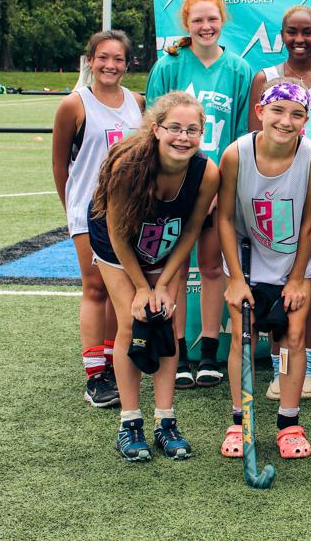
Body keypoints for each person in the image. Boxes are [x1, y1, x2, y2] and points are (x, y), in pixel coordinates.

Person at [88, 91, 220, 461]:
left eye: (192, 130)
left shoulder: (206, 171)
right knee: (133, 321)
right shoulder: (129, 165)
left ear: (202, 132)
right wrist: (142, 288)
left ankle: (166, 421)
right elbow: (116, 233)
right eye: (174, 128)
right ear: (156, 129)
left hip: (167, 240)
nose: (183, 137)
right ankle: (129, 424)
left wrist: (162, 285)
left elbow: (192, 230)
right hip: (118, 243)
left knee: (165, 318)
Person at [145, 0, 253, 389]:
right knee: (173, 271)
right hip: (174, 183)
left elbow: (242, 134)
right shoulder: (170, 65)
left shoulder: (239, 69)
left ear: (222, 20)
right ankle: (179, 352)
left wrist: (220, 190)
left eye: (212, 20)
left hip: (215, 183)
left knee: (211, 268)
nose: (206, 27)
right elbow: (151, 129)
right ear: (186, 25)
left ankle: (209, 351)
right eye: (197, 21)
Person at [217, 80, 311, 459]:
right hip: (248, 265)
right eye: (278, 110)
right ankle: (239, 420)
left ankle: (288, 422)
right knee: (241, 340)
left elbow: (310, 224)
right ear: (261, 112)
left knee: (291, 341)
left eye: (297, 114)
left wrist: (298, 278)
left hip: (292, 267)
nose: (286, 120)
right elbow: (226, 220)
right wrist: (234, 278)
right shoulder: (236, 154)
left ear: (305, 121)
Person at [250, 5, 311, 401]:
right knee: (276, 285)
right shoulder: (266, 77)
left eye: (308, 33)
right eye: (292, 32)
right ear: (282, 35)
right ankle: (279, 370)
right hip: (276, 198)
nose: (300, 40)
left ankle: (308, 369)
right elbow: (255, 138)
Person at [52, 30, 144, 409]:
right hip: (90, 211)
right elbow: (61, 165)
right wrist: (73, 209)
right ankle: (95, 376)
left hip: (130, 211)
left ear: (127, 63)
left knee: (120, 290)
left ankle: (112, 363)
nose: (110, 65)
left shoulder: (138, 102)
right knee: (95, 288)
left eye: (118, 59)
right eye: (103, 57)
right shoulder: (74, 105)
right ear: (90, 60)